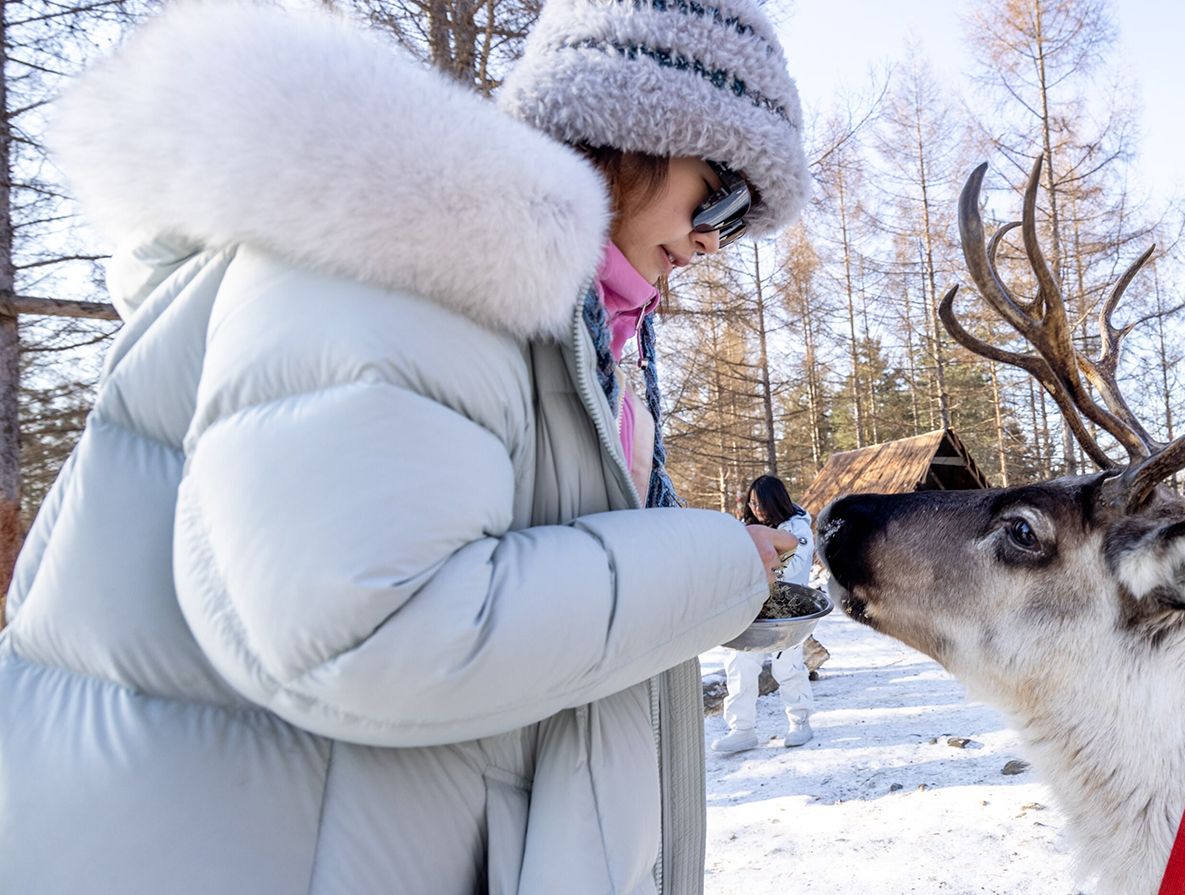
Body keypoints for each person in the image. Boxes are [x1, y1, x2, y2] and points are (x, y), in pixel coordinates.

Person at [0, 3, 808, 892]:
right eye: (721, 197)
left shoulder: (565, 331)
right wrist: (711, 564)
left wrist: (711, 593)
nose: (709, 244)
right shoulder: (411, 250)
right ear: (634, 123)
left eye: (736, 230)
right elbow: (368, 626)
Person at [715, 475, 819, 753]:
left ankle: (800, 721)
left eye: (761, 504)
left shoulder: (798, 529)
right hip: (751, 608)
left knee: (787, 666)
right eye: (752, 504)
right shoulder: (746, 528)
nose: (757, 509)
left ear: (776, 502)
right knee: (739, 666)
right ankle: (742, 729)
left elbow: (793, 567)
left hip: (787, 607)